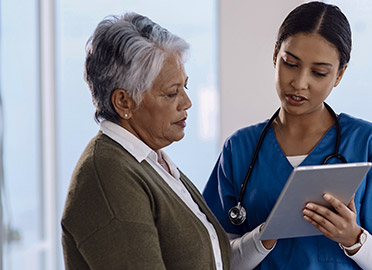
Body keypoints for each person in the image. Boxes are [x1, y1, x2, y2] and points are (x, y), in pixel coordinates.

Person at [203, 2, 372, 270]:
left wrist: (352, 238)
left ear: (339, 74)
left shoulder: (369, 143)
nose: (299, 82)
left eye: (319, 72)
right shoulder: (239, 148)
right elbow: (221, 261)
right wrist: (263, 236)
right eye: (290, 64)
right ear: (275, 55)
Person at [61, 12, 275, 270]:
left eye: (185, 87)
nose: (187, 103)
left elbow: (210, 261)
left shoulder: (152, 161)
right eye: (172, 93)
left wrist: (267, 235)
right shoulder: (109, 175)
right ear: (124, 102)